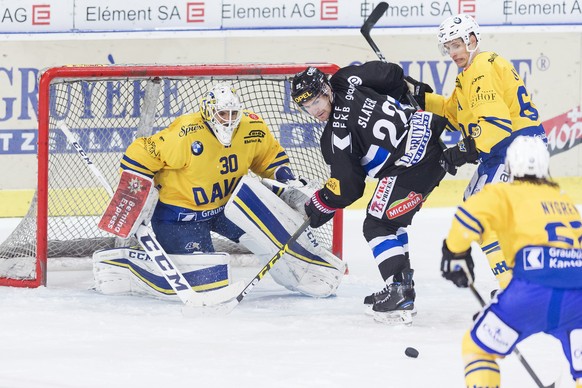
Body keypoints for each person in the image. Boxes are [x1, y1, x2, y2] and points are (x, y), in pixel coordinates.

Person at [93, 81, 345, 299]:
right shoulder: (186, 133)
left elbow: (269, 157)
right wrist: (136, 189)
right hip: (179, 216)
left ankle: (304, 268)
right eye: (222, 114)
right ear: (208, 112)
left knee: (275, 229)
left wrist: (286, 179)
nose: (229, 119)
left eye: (233, 113)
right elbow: (141, 152)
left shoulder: (251, 128)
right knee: (207, 281)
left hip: (228, 208)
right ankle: (125, 267)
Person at [291, 62, 479, 324]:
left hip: (411, 167)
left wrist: (319, 205)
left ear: (326, 89)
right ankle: (402, 285)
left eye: (318, 99)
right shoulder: (348, 78)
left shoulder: (335, 136)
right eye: (307, 106)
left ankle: (399, 290)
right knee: (391, 220)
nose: (316, 110)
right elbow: (391, 73)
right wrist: (403, 90)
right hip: (428, 135)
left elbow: (348, 188)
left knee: (377, 224)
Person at [407, 14, 548, 289]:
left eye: (457, 45)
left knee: (482, 215)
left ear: (472, 40)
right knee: (476, 208)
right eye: (448, 47)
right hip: (507, 150)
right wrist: (422, 97)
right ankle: (521, 281)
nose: (453, 53)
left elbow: (495, 127)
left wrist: (460, 151)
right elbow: (454, 114)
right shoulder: (471, 72)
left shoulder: (481, 68)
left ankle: (515, 287)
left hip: (515, 149)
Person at [440, 136, 582, 387]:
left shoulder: (504, 192)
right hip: (577, 297)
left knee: (477, 348)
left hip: (529, 294)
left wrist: (455, 253)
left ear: (510, 166)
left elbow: (468, 216)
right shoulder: (564, 201)